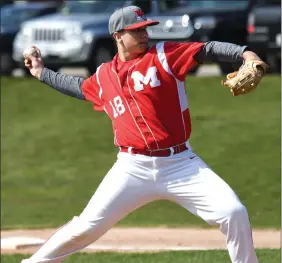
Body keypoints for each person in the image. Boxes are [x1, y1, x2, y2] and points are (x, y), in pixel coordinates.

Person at [22, 5, 264, 263]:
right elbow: (78, 87)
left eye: (145, 28)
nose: (144, 34)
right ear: (117, 36)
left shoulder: (164, 56)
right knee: (85, 227)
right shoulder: (104, 75)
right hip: (131, 168)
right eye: (136, 30)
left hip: (181, 164)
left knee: (234, 212)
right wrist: (40, 72)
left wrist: (245, 54)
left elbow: (207, 49)